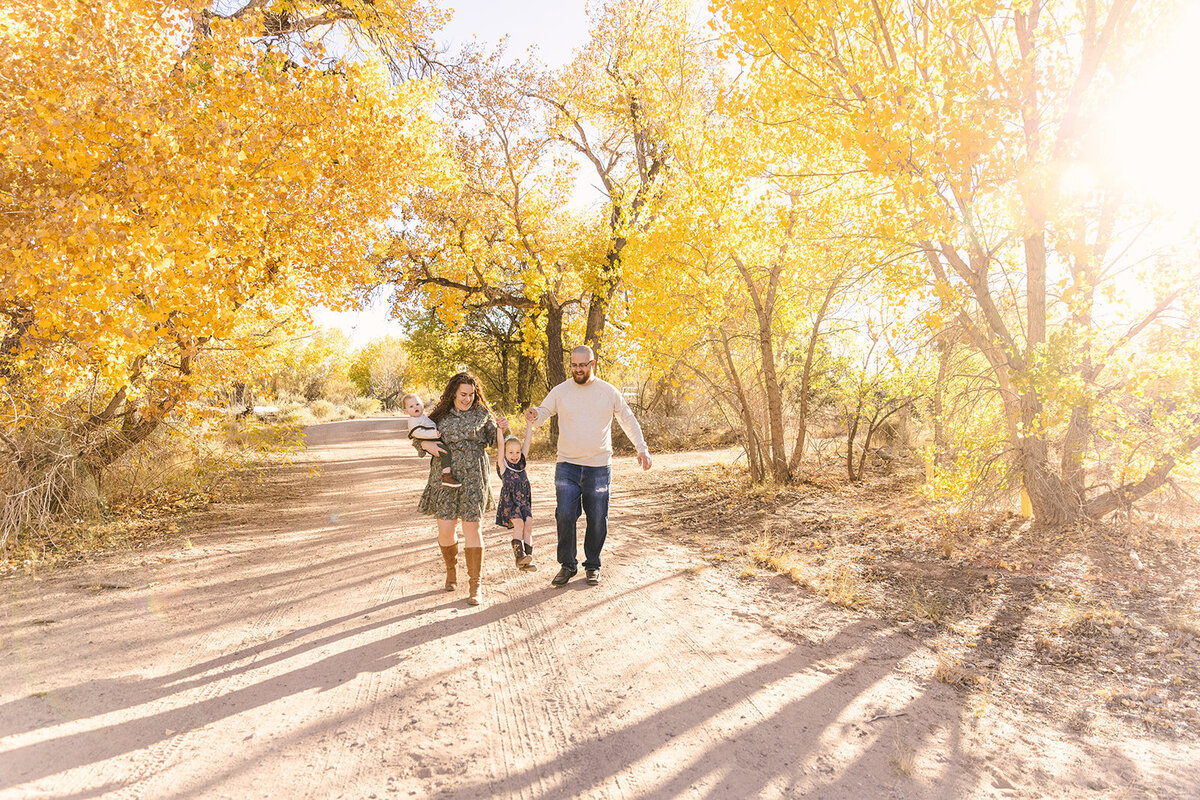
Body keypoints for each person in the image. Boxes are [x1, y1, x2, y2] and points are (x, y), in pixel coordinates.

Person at [525, 345, 652, 588]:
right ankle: (567, 565)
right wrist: (535, 415)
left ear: (592, 364)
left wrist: (641, 448)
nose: (578, 369)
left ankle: (592, 565)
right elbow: (544, 412)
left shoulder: (608, 391)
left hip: (598, 466)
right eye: (574, 365)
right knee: (564, 514)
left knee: (597, 518)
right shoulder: (561, 391)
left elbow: (627, 419)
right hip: (567, 465)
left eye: (583, 365)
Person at [414, 372, 502, 606]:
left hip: (474, 476)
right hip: (445, 476)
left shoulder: (482, 414)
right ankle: (451, 570)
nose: (467, 399)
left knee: (473, 527)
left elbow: (497, 438)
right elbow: (417, 434)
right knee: (445, 528)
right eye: (463, 394)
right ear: (454, 392)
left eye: (471, 394)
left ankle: (475, 584)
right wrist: (426, 444)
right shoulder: (439, 415)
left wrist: (505, 430)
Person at [495, 420, 537, 572]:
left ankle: (527, 560)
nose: (515, 455)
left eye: (517, 452)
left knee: (529, 525)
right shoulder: (503, 466)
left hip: (524, 501)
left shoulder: (522, 463)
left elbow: (527, 442)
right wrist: (499, 429)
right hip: (510, 502)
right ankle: (519, 557)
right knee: (519, 524)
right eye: (510, 452)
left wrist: (529, 425)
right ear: (505, 453)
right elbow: (500, 444)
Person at [402, 393, 460, 488]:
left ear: (423, 405)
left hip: (432, 438)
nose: (415, 407)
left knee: (444, 451)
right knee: (445, 452)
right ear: (406, 411)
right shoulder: (413, 421)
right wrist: (432, 434)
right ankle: (446, 476)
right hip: (429, 438)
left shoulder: (421, 417)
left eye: (417, 404)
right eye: (411, 406)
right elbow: (417, 433)